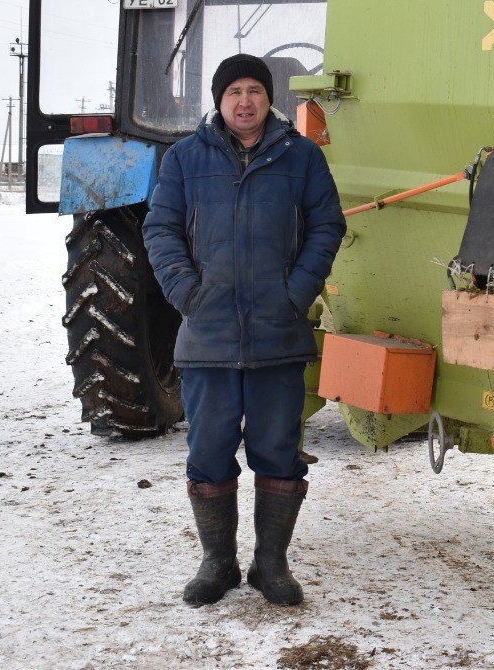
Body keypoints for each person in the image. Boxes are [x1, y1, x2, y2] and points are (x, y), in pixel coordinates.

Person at [143, 53, 346, 607]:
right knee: (208, 451)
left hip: (277, 334)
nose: (245, 101)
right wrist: (188, 293)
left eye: (254, 90)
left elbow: (327, 225)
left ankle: (270, 564)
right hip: (207, 337)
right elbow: (160, 229)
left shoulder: (301, 157)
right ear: (219, 100)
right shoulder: (185, 159)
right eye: (234, 92)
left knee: (278, 451)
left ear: (269, 98)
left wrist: (295, 292)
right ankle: (218, 563)